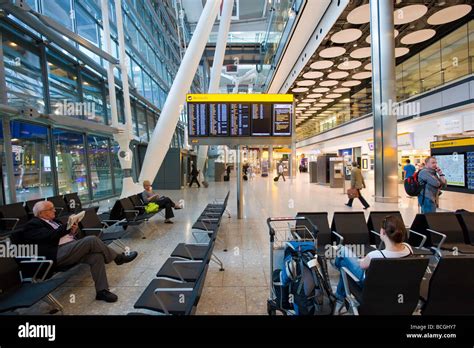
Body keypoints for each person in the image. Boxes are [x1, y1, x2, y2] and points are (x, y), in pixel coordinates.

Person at [20, 201, 138, 303]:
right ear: (41, 213)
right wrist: (67, 226)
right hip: (57, 254)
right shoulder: (32, 225)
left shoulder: (54, 221)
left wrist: (72, 231)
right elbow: (50, 237)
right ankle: (118, 258)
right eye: (51, 209)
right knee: (91, 240)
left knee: (96, 256)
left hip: (70, 248)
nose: (54, 210)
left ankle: (102, 291)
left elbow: (66, 235)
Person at [332, 215, 413, 315]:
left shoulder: (374, 256)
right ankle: (339, 295)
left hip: (368, 285)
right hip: (396, 287)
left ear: (383, 232)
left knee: (343, 253)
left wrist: (362, 259)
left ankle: (336, 266)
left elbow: (361, 265)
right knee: (344, 263)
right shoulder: (408, 248)